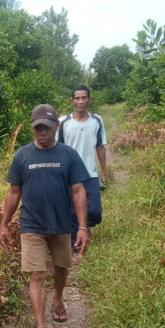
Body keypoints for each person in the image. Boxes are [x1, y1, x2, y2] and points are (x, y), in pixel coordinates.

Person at [0, 104, 90, 328]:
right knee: (37, 275)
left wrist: (82, 227)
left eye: (47, 128)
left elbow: (79, 191)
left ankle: (57, 298)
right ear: (32, 129)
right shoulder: (23, 155)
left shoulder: (68, 155)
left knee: (61, 268)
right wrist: (4, 225)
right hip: (32, 225)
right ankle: (40, 327)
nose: (43, 133)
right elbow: (14, 192)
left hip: (61, 225)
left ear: (56, 127)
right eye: (38, 128)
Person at [57, 85, 108, 249]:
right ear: (72, 101)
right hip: (69, 175)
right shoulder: (63, 122)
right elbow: (56, 148)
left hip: (90, 174)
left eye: (84, 98)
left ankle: (85, 228)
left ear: (89, 99)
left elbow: (100, 147)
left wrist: (104, 173)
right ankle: (76, 244)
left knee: (94, 211)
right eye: (77, 98)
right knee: (71, 211)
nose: (80, 101)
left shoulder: (96, 120)